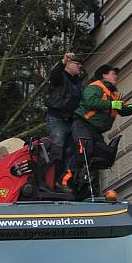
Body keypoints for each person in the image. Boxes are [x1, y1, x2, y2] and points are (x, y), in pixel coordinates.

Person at [70, 64, 132, 173]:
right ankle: (66, 179)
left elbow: (122, 109)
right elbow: (92, 101)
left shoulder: (112, 96)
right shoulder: (94, 87)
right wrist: (112, 104)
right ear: (104, 75)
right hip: (83, 124)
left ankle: (83, 178)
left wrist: (130, 108)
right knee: (84, 149)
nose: (116, 76)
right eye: (113, 73)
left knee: (103, 156)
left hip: (95, 131)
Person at [45, 52, 84, 182]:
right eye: (77, 63)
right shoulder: (61, 77)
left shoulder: (79, 83)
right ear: (68, 65)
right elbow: (53, 75)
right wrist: (62, 61)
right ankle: (51, 180)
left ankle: (65, 180)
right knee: (57, 149)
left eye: (80, 64)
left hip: (71, 121)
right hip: (57, 119)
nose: (80, 66)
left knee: (72, 150)